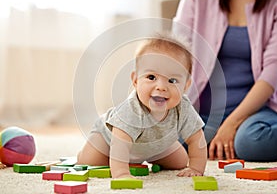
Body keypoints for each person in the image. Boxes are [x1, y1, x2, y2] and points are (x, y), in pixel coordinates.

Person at [174, 0, 277, 161]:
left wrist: (231, 124)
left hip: (259, 111)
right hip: (203, 114)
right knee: (168, 145)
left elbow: (275, 70)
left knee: (251, 143)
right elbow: (175, 55)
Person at [77, 32, 207, 178]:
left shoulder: (183, 108)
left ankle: (146, 155)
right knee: (89, 161)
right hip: (108, 139)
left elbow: (197, 139)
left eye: (172, 80)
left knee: (180, 162)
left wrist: (196, 168)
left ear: (186, 85)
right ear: (136, 80)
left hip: (153, 145)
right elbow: (120, 144)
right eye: (151, 77)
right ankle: (94, 156)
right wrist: (121, 173)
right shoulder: (131, 110)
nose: (161, 87)